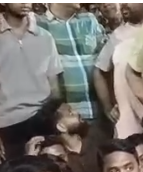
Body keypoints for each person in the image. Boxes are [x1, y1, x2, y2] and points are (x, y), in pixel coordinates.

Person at [0, 3, 63, 163]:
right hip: (6, 125)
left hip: (42, 120)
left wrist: (51, 118)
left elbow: (54, 87)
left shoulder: (45, 37)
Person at [37, 3, 110, 137]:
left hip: (102, 114)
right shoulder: (39, 25)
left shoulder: (89, 19)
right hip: (69, 123)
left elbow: (106, 61)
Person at [94, 3, 143, 138]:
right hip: (130, 122)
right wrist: (107, 107)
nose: (123, 5)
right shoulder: (118, 36)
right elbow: (99, 71)